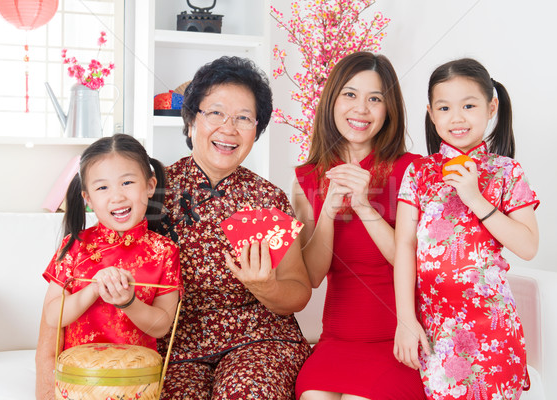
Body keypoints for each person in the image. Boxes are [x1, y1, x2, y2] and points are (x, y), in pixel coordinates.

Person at [156, 56, 312, 399]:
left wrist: (267, 286)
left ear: (256, 130)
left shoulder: (269, 197)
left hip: (260, 339)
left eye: (243, 118)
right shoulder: (154, 191)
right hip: (177, 346)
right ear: (191, 119)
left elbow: (298, 292)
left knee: (246, 393)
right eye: (215, 113)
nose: (229, 128)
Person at [393, 58, 539, 400]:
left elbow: (528, 246)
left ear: (492, 107)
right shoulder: (418, 173)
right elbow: (404, 246)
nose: (456, 118)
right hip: (437, 326)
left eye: (469, 105)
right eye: (444, 107)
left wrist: (475, 197)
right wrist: (404, 319)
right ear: (431, 113)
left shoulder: (507, 172)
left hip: (493, 327)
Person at [292, 52, 426, 400]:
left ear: (389, 109)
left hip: (398, 338)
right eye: (350, 95)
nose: (361, 109)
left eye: (375, 98)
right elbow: (313, 276)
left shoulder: (414, 170)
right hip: (336, 340)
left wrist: (365, 206)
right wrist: (328, 212)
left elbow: (412, 261)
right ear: (332, 101)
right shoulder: (306, 179)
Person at [37, 134, 182, 396]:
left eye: (127, 182)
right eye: (102, 188)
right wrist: (93, 289)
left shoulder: (165, 252)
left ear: (150, 186)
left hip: (135, 381)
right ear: (88, 198)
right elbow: (52, 315)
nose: (116, 196)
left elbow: (161, 326)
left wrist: (129, 302)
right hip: (80, 379)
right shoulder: (75, 245)